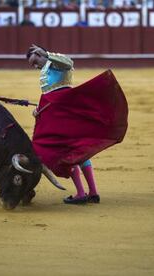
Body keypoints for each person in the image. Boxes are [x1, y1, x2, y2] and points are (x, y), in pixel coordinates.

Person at [27, 44, 101, 205]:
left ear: (39, 55)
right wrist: (39, 109)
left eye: (35, 62)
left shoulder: (55, 62)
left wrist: (47, 54)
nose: (35, 67)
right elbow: (50, 95)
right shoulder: (47, 69)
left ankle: (83, 193)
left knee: (64, 150)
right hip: (60, 112)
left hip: (64, 114)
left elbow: (69, 63)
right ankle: (92, 193)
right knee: (78, 149)